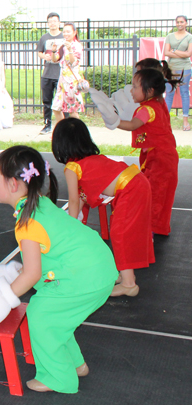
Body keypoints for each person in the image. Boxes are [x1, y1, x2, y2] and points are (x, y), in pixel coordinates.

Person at [0, 145, 118, 393]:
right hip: (97, 268)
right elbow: (44, 253)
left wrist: (3, 297)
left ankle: (59, 378)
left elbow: (32, 273)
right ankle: (75, 364)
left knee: (41, 315)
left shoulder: (27, 221)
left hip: (85, 276)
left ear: (14, 185)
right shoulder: (38, 204)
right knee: (57, 316)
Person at [51, 118, 154, 297]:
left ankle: (129, 285)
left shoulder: (72, 168)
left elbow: (74, 201)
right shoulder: (90, 160)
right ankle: (125, 275)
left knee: (119, 233)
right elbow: (83, 196)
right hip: (138, 182)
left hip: (131, 188)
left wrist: (71, 227)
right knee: (121, 231)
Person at [115, 68, 180, 236]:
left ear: (149, 90)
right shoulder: (157, 104)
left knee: (155, 194)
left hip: (160, 160)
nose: (131, 90)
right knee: (161, 194)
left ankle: (149, 230)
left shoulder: (147, 109)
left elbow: (132, 125)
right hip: (164, 158)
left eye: (135, 86)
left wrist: (113, 120)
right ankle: (157, 227)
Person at [37, 12, 64, 134]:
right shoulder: (44, 37)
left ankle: (65, 125)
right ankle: (47, 124)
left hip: (61, 75)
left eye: (55, 21)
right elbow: (39, 52)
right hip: (47, 74)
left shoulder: (64, 36)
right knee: (47, 101)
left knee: (63, 101)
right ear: (48, 24)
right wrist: (45, 57)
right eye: (50, 21)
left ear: (59, 22)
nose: (52, 23)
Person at [51, 23, 84, 121]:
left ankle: (77, 134)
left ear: (74, 32)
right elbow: (55, 59)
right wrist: (53, 51)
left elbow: (74, 62)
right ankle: (62, 132)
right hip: (62, 82)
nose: (65, 34)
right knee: (56, 108)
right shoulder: (62, 44)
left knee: (72, 110)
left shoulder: (77, 46)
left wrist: (70, 50)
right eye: (64, 31)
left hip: (72, 82)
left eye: (68, 31)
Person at [164, 15, 192, 131]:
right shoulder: (170, 36)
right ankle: (165, 122)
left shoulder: (189, 37)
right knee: (169, 93)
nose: (179, 24)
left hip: (185, 68)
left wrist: (174, 51)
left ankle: (185, 122)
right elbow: (166, 52)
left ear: (186, 23)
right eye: (177, 22)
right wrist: (181, 53)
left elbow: (188, 54)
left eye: (182, 22)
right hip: (171, 68)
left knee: (184, 93)